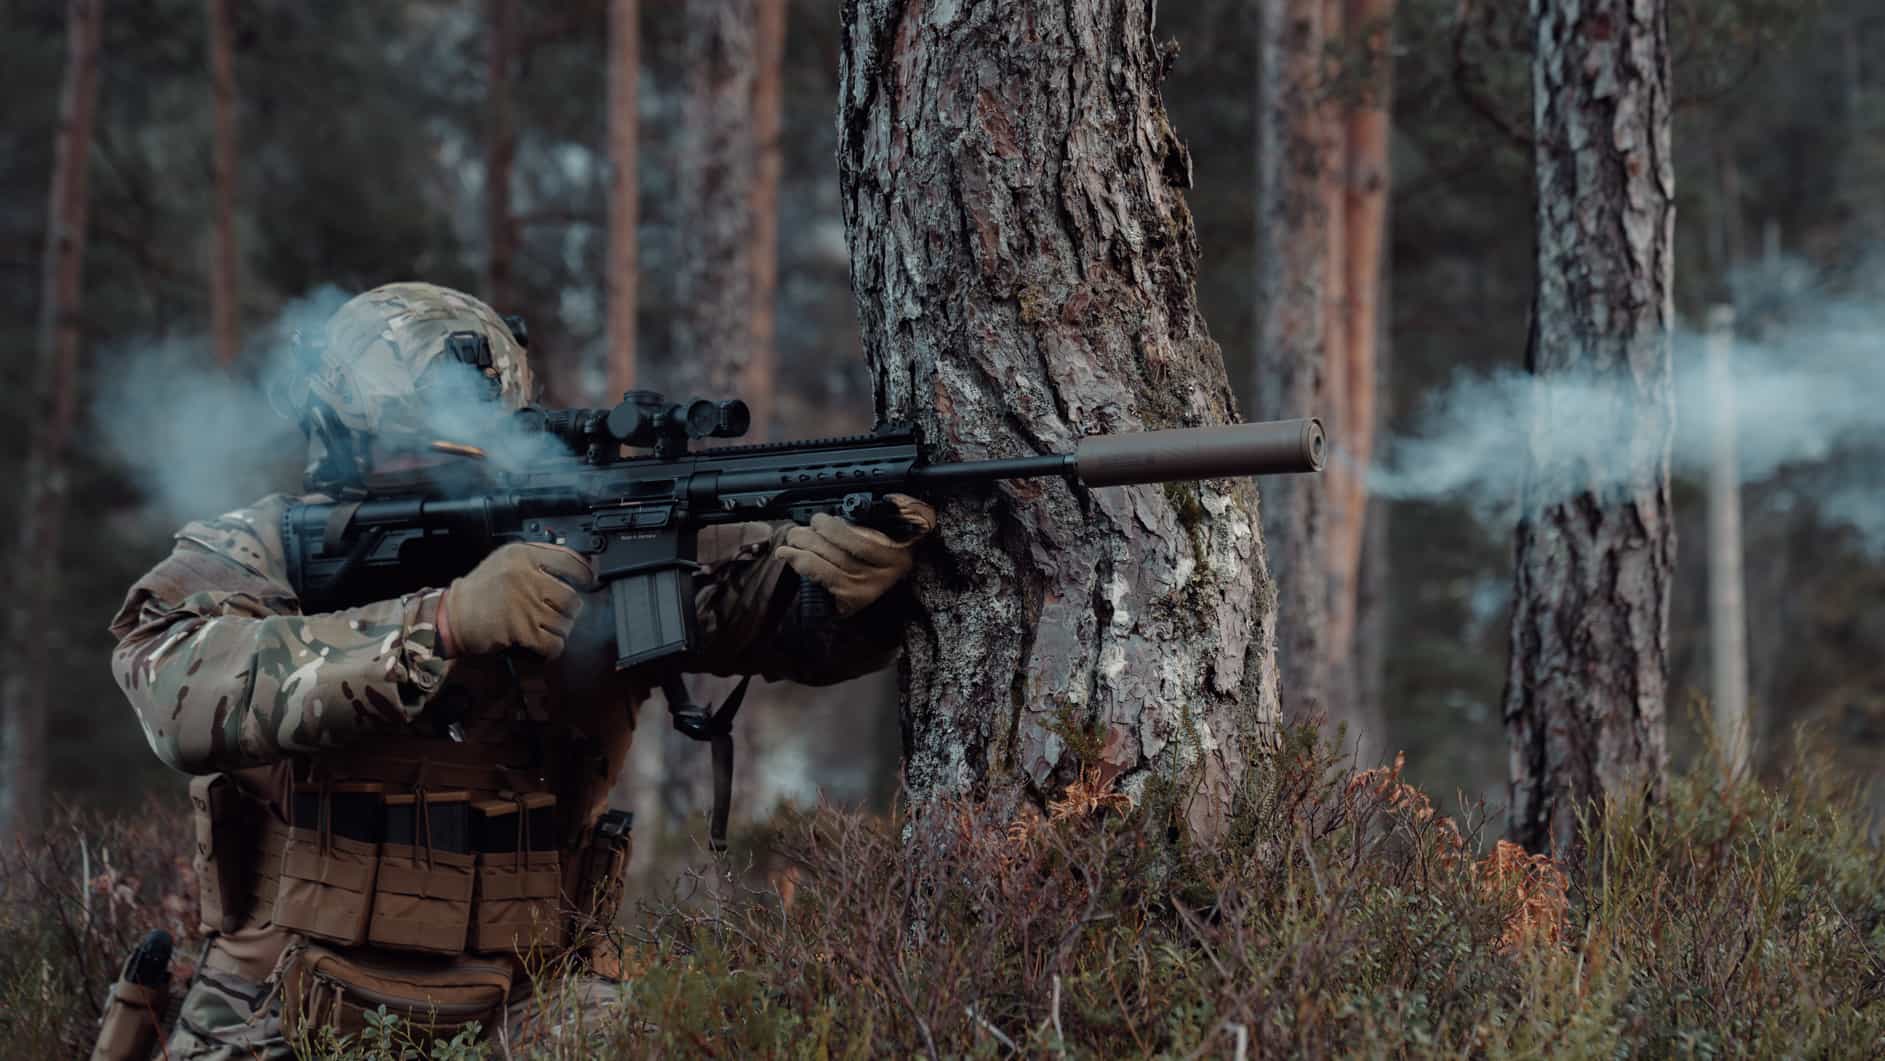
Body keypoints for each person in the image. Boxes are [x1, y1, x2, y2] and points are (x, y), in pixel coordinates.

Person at [107, 282, 934, 1057]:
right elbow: (175, 689)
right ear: (345, 435)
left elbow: (739, 620)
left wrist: (834, 582)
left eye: (466, 446)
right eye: (411, 449)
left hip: (537, 999)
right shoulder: (259, 549)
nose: (443, 468)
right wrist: (440, 622)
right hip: (282, 999)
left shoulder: (578, 535)